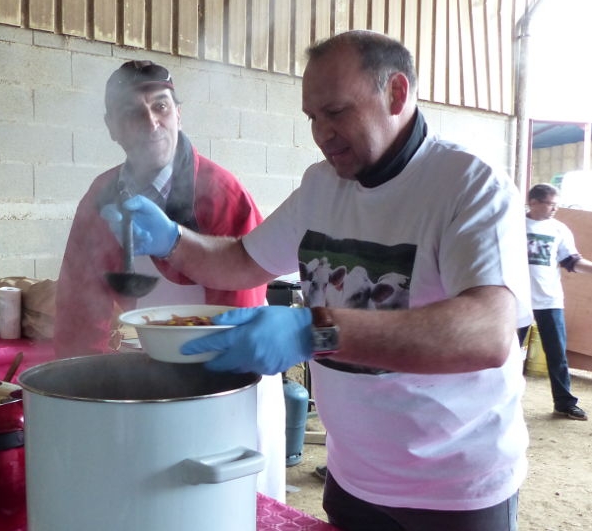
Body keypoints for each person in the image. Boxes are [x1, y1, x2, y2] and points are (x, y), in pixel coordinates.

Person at [103, 31, 533, 531]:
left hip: (453, 493)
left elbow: (487, 334)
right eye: (312, 117)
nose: (321, 133)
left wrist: (313, 331)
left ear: (395, 94)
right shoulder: (321, 186)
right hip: (352, 480)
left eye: (336, 111)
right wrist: (173, 239)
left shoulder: (469, 186)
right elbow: (243, 260)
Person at [52, 59, 286, 501]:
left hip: (226, 380)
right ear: (112, 128)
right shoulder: (101, 197)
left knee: (226, 505)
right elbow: (79, 306)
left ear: (179, 112)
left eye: (160, 106)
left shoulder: (221, 193)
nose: (151, 122)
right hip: (152, 371)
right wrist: (79, 392)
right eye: (132, 112)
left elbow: (239, 309)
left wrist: (199, 397)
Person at [517, 183, 592, 421]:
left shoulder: (559, 229)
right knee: (507, 353)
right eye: (551, 203)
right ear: (534, 202)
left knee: (557, 354)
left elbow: (573, 261)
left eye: (556, 204)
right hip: (516, 297)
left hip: (549, 299)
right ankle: (500, 401)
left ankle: (564, 403)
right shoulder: (513, 225)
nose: (555, 209)